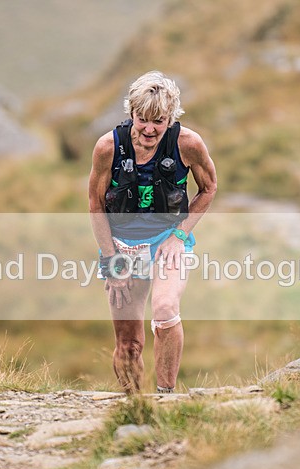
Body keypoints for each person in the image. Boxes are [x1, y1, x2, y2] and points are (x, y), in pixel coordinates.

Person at [88, 71, 217, 394]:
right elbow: (95, 204)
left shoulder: (188, 144)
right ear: (130, 113)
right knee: (129, 344)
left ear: (170, 118)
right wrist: (111, 261)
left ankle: (165, 397)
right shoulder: (108, 148)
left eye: (158, 121)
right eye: (141, 119)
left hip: (166, 243)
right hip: (122, 247)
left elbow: (209, 188)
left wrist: (180, 235)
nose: (148, 129)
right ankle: (133, 409)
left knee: (164, 310)